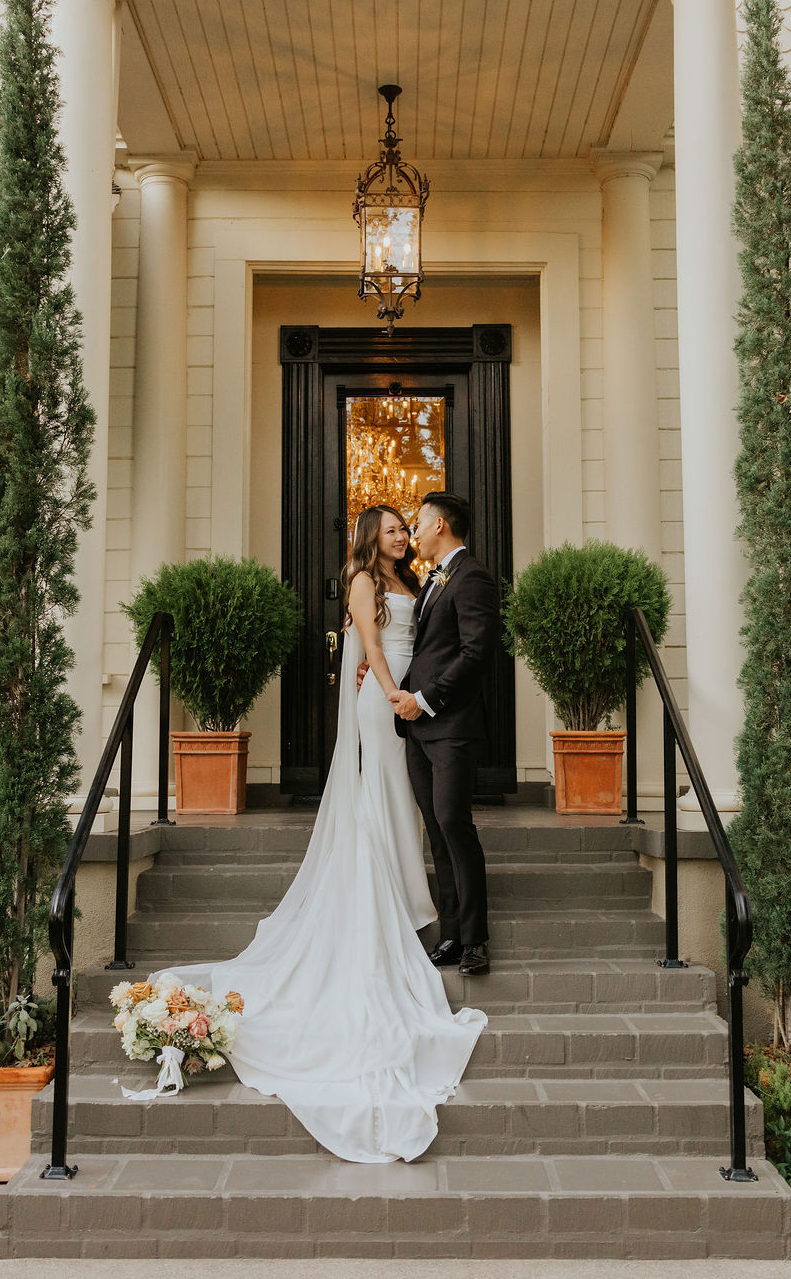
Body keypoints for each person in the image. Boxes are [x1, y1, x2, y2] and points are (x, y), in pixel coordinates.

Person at [159, 504, 486, 1163]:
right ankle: (394, 900)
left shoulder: (423, 584)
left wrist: (408, 691)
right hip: (383, 703)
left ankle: (411, 898)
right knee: (387, 797)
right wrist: (393, 692)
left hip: (409, 704)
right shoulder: (362, 579)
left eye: (408, 527)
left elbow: (432, 643)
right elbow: (369, 643)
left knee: (405, 803)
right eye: (393, 528)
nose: (402, 535)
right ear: (373, 537)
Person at [391, 491, 498, 977]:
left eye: (417, 524)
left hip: (449, 724)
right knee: (436, 830)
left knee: (455, 824)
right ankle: (451, 933)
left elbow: (475, 654)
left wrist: (425, 698)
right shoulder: (435, 579)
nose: (413, 533)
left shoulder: (472, 576)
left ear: (439, 525)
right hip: (419, 730)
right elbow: (431, 648)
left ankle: (476, 940)